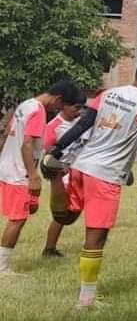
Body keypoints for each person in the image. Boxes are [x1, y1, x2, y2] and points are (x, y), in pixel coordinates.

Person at [41, 58, 137, 309]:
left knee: (65, 217)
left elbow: (85, 123)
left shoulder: (108, 93)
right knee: (96, 238)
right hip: (106, 175)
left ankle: (56, 178)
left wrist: (57, 148)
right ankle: (86, 301)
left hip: (81, 165)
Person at [0, 80, 81, 275]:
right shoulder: (38, 111)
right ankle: (2, 267)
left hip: (6, 168)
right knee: (17, 219)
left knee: (18, 216)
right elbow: (27, 145)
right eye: (61, 106)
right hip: (19, 173)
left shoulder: (25, 105)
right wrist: (34, 176)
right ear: (58, 99)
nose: (59, 109)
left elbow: (6, 134)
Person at [41, 97, 94, 258]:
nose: (79, 112)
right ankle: (49, 248)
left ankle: (93, 243)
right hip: (63, 178)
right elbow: (48, 156)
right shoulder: (53, 127)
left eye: (81, 108)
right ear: (63, 106)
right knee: (61, 216)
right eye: (75, 107)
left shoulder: (83, 124)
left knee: (91, 208)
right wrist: (60, 169)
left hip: (83, 172)